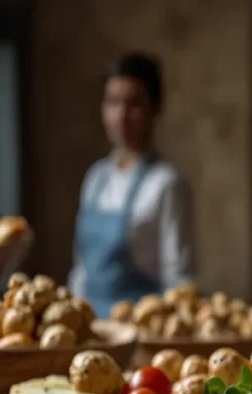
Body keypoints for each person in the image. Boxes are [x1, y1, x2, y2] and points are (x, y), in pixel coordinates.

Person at [68, 52, 194, 317]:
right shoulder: (96, 178)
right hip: (89, 324)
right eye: (113, 102)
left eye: (134, 103)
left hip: (139, 330)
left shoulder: (166, 184)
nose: (121, 116)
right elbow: (81, 268)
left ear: (155, 108)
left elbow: (179, 280)